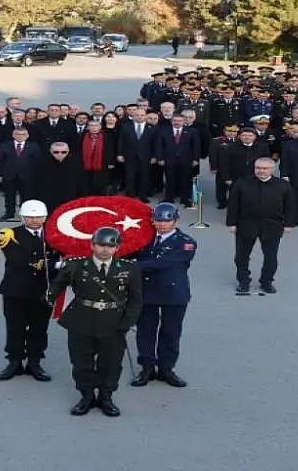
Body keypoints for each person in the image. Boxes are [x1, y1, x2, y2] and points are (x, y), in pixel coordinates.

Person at [47, 227, 143, 417]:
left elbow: (135, 299)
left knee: (111, 363)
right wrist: (49, 297)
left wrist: (127, 322)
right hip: (81, 319)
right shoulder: (76, 265)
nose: (105, 250)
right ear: (92, 245)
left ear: (117, 248)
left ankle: (106, 397)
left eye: (110, 245)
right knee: (82, 362)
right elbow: (57, 285)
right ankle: (86, 397)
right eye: (101, 245)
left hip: (113, 322)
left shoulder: (128, 268)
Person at [131, 203, 195, 388]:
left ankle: (166, 369)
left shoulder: (186, 242)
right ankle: (147, 368)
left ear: (176, 221)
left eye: (167, 220)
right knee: (145, 331)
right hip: (147, 291)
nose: (162, 224)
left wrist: (131, 266)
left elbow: (161, 263)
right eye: (158, 220)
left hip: (173, 293)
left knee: (171, 332)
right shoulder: (144, 239)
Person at [0, 200, 55, 382]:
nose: (34, 220)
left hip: (43, 290)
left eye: (38, 217)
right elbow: (19, 260)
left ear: (45, 218)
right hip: (16, 290)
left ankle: (35, 362)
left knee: (39, 327)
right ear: (22, 217)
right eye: (30, 216)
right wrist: (53, 264)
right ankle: (14, 361)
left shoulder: (53, 236)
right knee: (15, 327)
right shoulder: (9, 234)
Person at [226, 158, 296, 293]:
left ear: (272, 169)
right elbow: (233, 204)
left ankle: (267, 281)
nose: (261, 171)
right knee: (241, 256)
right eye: (258, 168)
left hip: (272, 225)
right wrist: (231, 223)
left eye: (265, 168)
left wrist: (288, 224)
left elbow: (290, 206)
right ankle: (243, 281)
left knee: (271, 257)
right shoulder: (242, 183)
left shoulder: (283, 185)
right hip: (246, 224)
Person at [155, 114, 201, 207]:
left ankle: (185, 199)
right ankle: (169, 198)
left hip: (186, 159)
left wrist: (196, 159)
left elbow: (196, 146)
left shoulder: (192, 131)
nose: (177, 122)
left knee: (185, 179)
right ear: (171, 121)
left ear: (184, 121)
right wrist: (160, 158)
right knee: (170, 179)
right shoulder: (163, 131)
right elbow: (159, 145)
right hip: (169, 159)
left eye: (179, 121)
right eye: (175, 120)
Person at [0, 127, 40, 221]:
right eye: (18, 134)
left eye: (23, 134)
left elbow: (37, 162)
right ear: (13, 135)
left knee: (26, 196)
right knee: (9, 195)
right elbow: (0, 161)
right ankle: (9, 213)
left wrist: (37, 175)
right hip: (9, 175)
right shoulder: (4, 146)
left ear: (27, 136)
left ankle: (25, 213)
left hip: (27, 176)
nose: (20, 136)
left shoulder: (33, 146)